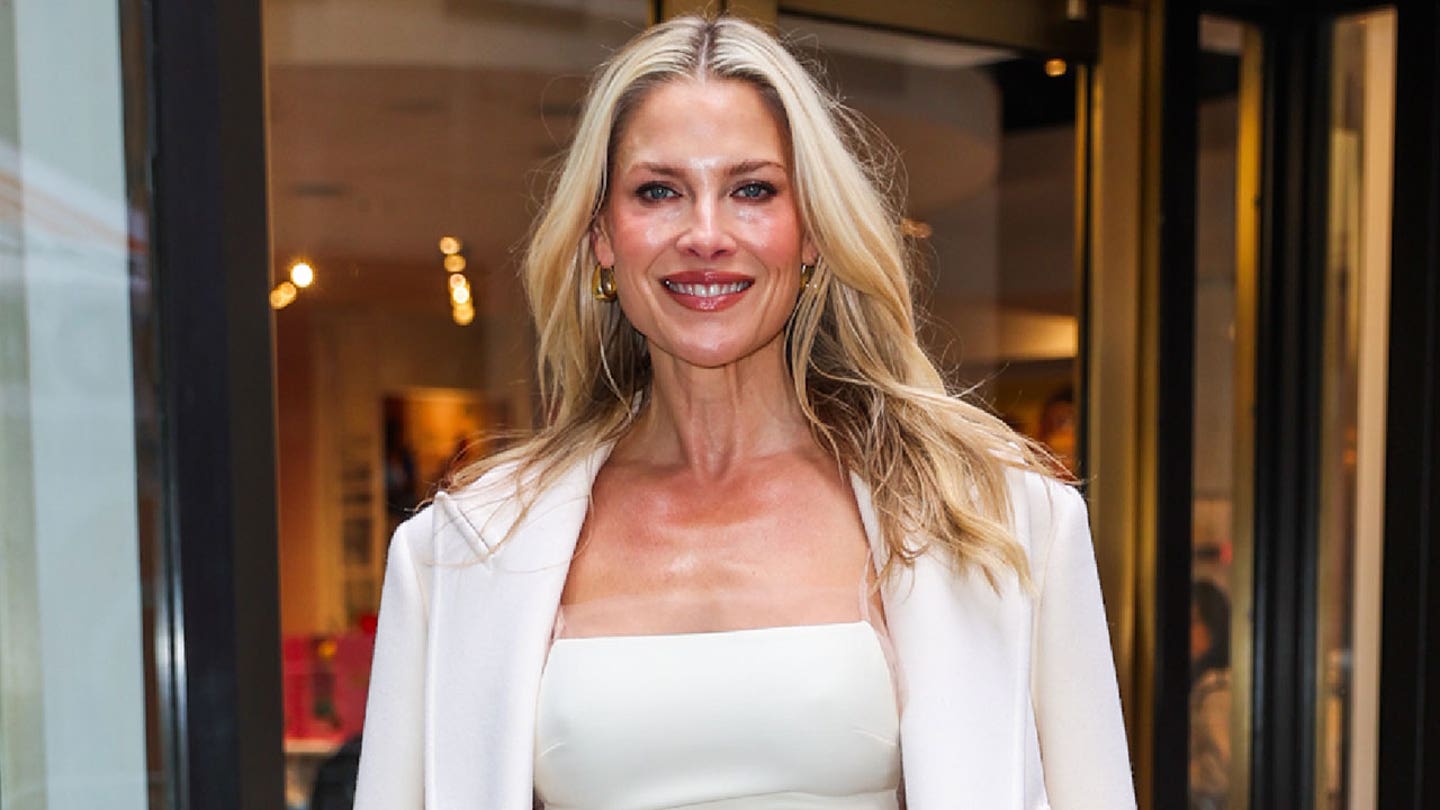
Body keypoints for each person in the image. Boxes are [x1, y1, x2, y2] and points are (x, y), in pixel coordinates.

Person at [354, 13, 1133, 809]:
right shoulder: (462, 554)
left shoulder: (1001, 523)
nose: (706, 234)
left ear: (812, 234)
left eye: (752, 190)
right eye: (659, 191)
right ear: (602, 237)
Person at [1190, 580, 1233, 810]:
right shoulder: (1203, 684)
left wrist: (1182, 773)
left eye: (1194, 622)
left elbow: (1219, 774)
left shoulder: (1216, 693)